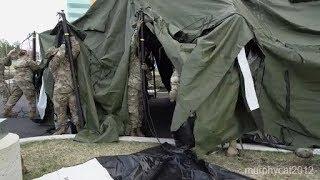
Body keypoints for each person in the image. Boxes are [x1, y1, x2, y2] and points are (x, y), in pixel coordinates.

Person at [45, 36, 80, 135]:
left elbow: (76, 50)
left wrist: (72, 38)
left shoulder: (68, 60)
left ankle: (80, 131)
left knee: (76, 114)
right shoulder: (53, 63)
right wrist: (64, 44)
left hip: (71, 91)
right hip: (60, 93)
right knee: (61, 116)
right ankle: (61, 132)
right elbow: (60, 55)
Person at [3, 50, 39, 119]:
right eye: (27, 54)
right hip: (25, 81)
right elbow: (36, 68)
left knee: (14, 96)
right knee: (31, 96)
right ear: (26, 54)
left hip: (16, 80)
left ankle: (6, 111)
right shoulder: (28, 61)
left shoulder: (17, 61)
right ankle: (32, 114)